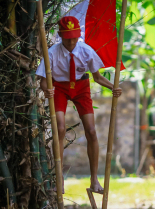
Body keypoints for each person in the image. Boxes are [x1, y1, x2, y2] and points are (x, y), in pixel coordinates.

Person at [37, 16, 122, 193]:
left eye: (75, 37)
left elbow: (97, 77)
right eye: (67, 37)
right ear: (60, 35)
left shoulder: (86, 51)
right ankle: (58, 178)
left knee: (91, 131)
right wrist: (47, 90)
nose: (71, 41)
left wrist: (114, 87)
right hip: (58, 88)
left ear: (79, 35)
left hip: (82, 87)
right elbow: (43, 82)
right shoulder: (51, 52)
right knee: (60, 128)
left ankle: (94, 180)